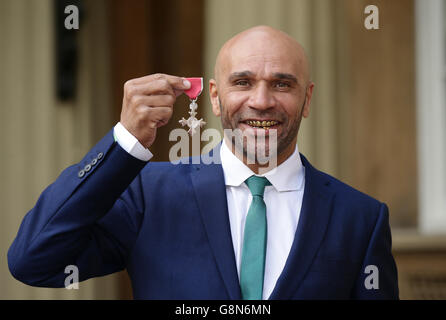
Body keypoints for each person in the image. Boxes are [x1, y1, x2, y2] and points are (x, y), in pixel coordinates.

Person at [8, 25, 398, 299]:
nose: (261, 101)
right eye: (242, 82)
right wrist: (124, 143)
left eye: (282, 84)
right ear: (214, 96)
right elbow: (34, 260)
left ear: (307, 99)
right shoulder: (149, 194)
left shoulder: (361, 219)